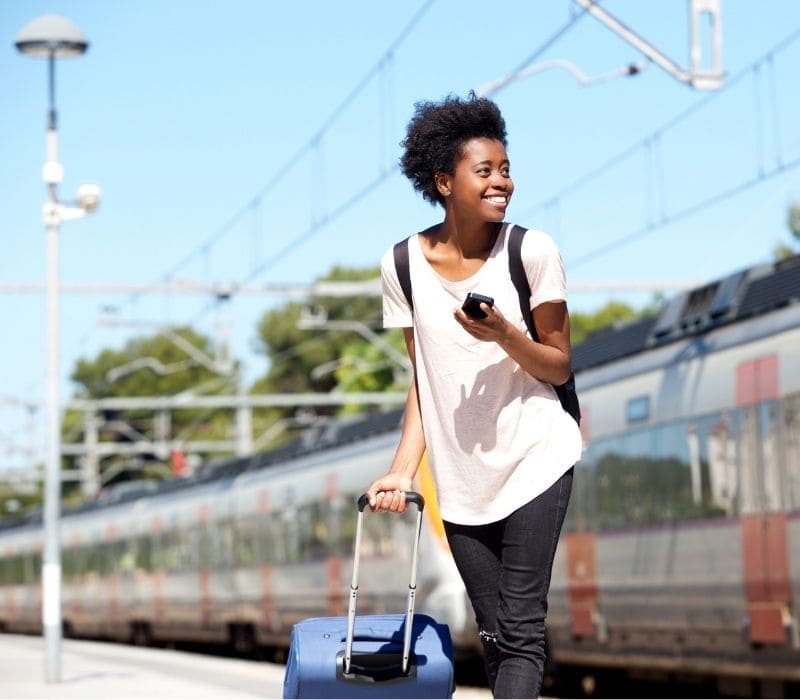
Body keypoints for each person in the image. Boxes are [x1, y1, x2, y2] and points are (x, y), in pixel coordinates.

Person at [365, 92, 583, 699]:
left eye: (506, 169)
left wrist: (504, 333)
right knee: (492, 634)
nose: (501, 182)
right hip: (461, 476)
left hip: (536, 455)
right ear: (443, 181)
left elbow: (559, 366)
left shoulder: (531, 252)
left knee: (519, 628)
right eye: (484, 171)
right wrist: (402, 470)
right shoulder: (402, 265)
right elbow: (424, 377)